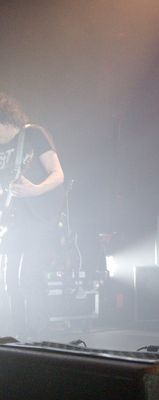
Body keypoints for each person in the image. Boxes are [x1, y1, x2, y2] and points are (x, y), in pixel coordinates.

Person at [0, 93, 65, 341]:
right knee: (8, 280)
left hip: (39, 218)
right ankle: (17, 336)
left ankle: (38, 338)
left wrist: (35, 190)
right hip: (13, 221)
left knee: (29, 276)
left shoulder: (33, 134)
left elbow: (57, 174)